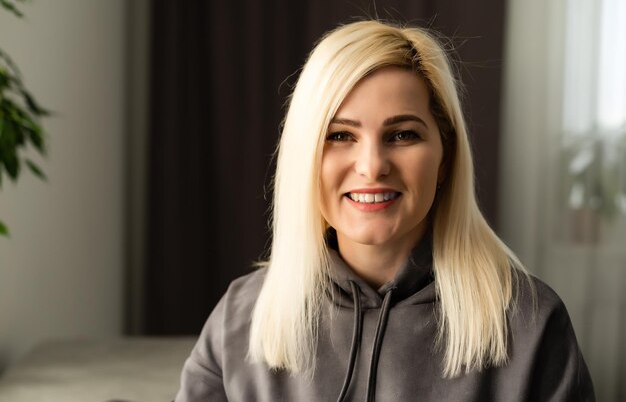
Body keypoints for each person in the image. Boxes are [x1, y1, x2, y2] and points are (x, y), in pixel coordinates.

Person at [174, 20, 595, 402]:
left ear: (445, 157)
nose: (372, 165)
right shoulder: (241, 315)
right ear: (306, 156)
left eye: (402, 134)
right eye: (340, 134)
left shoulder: (531, 324)